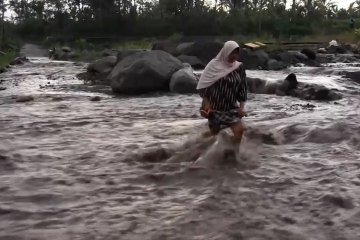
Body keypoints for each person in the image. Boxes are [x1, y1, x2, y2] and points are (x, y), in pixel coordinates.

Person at [197, 40, 247, 144]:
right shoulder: (213, 65)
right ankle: (201, 144)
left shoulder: (239, 67)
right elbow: (202, 86)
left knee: (239, 131)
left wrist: (242, 107)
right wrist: (206, 102)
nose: (234, 55)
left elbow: (243, 88)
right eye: (232, 52)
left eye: (237, 53)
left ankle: (233, 153)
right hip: (214, 108)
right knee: (215, 136)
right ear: (225, 52)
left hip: (231, 108)